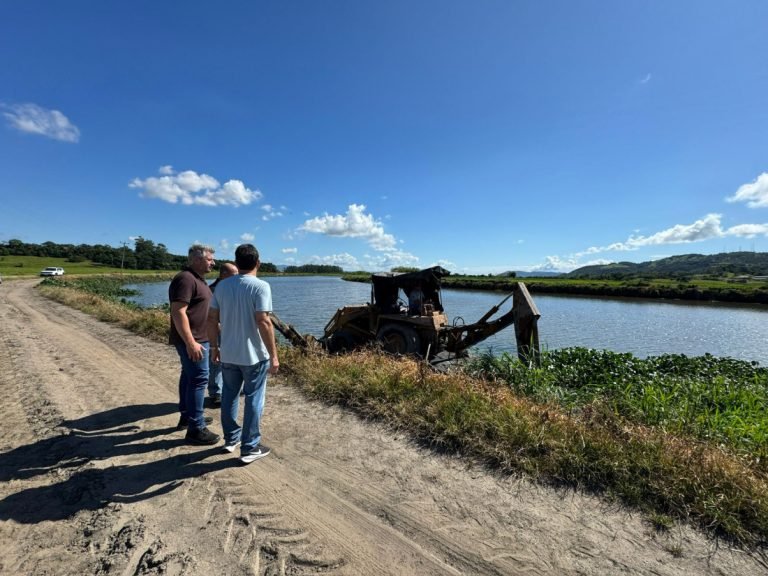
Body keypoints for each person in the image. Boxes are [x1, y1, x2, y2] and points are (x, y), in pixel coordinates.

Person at [207, 243, 279, 464]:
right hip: (253, 356)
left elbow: (212, 319)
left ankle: (231, 440)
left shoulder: (222, 287)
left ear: (237, 263)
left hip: (228, 353)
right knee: (254, 398)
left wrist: (215, 347)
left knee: (229, 395)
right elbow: (263, 321)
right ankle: (250, 447)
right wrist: (274, 355)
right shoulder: (261, 286)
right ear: (258, 263)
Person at [169, 244, 220, 446]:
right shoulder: (185, 279)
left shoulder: (198, 280)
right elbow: (178, 311)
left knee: (189, 377)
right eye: (210, 259)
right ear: (197, 259)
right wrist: (191, 342)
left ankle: (188, 416)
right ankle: (196, 429)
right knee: (199, 380)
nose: (213, 263)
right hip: (194, 341)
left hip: (200, 338)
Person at [207, 262, 239, 406]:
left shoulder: (230, 288)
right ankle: (215, 392)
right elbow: (209, 315)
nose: (237, 278)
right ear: (224, 274)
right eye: (234, 275)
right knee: (216, 362)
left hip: (231, 330)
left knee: (231, 360)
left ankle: (229, 387)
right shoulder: (212, 290)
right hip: (218, 330)